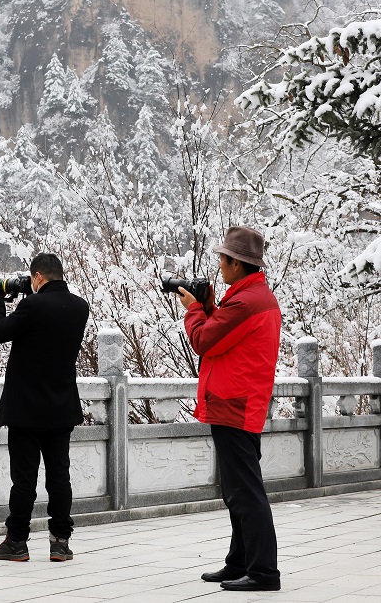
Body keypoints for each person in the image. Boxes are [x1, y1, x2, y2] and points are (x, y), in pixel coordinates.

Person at [177, 226, 282, 593]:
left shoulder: (245, 302)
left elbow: (205, 340)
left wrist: (194, 310)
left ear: (238, 264)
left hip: (233, 407)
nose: (219, 266)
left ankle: (264, 571)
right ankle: (239, 562)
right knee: (236, 489)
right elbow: (225, 334)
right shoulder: (253, 297)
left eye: (223, 259)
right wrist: (208, 307)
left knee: (245, 491)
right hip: (241, 404)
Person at [0, 252, 89, 563]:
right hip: (61, 407)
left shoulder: (31, 306)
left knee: (25, 479)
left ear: (38, 277)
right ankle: (60, 542)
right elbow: (48, 322)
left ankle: (16, 541)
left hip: (27, 409)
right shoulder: (80, 307)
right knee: (59, 476)